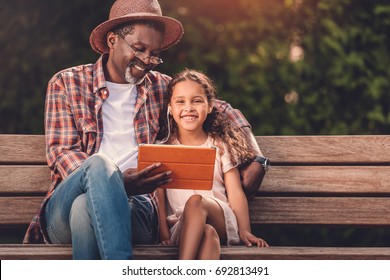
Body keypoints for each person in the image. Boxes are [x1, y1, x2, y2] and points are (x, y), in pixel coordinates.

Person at [23, 0, 268, 259]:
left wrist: (258, 158)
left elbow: (221, 108)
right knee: (99, 167)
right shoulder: (67, 83)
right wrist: (113, 183)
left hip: (136, 209)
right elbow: (61, 152)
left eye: (154, 53)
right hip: (64, 207)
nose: (147, 61)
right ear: (112, 40)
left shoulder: (160, 87)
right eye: (139, 49)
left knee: (85, 209)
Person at [157, 69, 269, 260]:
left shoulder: (219, 144)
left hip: (220, 218)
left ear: (209, 106)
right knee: (208, 234)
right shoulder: (164, 149)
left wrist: (245, 230)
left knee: (196, 202)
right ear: (170, 108)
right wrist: (164, 234)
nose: (188, 107)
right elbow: (158, 197)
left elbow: (235, 193)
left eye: (197, 100)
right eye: (180, 101)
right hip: (181, 227)